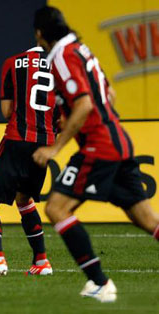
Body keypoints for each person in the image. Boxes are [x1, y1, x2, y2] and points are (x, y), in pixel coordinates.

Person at [32, 6, 159, 302]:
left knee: (56, 209)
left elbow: (86, 105)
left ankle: (100, 283)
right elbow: (109, 95)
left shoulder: (61, 58)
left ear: (40, 34)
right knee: (147, 220)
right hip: (118, 141)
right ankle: (99, 283)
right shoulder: (81, 50)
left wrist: (55, 148)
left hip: (99, 146)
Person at [0, 46, 60, 278]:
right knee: (25, 199)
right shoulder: (61, 67)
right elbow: (65, 114)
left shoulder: (13, 62)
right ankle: (41, 261)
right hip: (45, 142)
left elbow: (6, 110)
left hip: (17, 138)